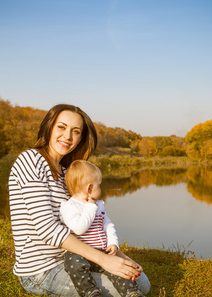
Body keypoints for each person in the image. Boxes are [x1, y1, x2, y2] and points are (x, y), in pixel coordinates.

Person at [9, 104, 150, 296]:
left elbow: (86, 224)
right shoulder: (31, 160)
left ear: (81, 138)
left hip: (75, 259)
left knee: (139, 280)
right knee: (137, 287)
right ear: (49, 127)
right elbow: (47, 229)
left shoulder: (67, 172)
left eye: (75, 131)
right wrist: (104, 261)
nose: (67, 136)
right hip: (42, 269)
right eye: (61, 127)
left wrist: (119, 256)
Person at [60, 160, 144, 297]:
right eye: (99, 185)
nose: (101, 188)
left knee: (118, 269)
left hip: (102, 251)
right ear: (89, 188)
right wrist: (90, 207)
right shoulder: (69, 207)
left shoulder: (99, 205)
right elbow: (79, 229)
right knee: (72, 263)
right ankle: (90, 292)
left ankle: (132, 292)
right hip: (81, 253)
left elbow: (108, 224)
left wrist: (113, 243)